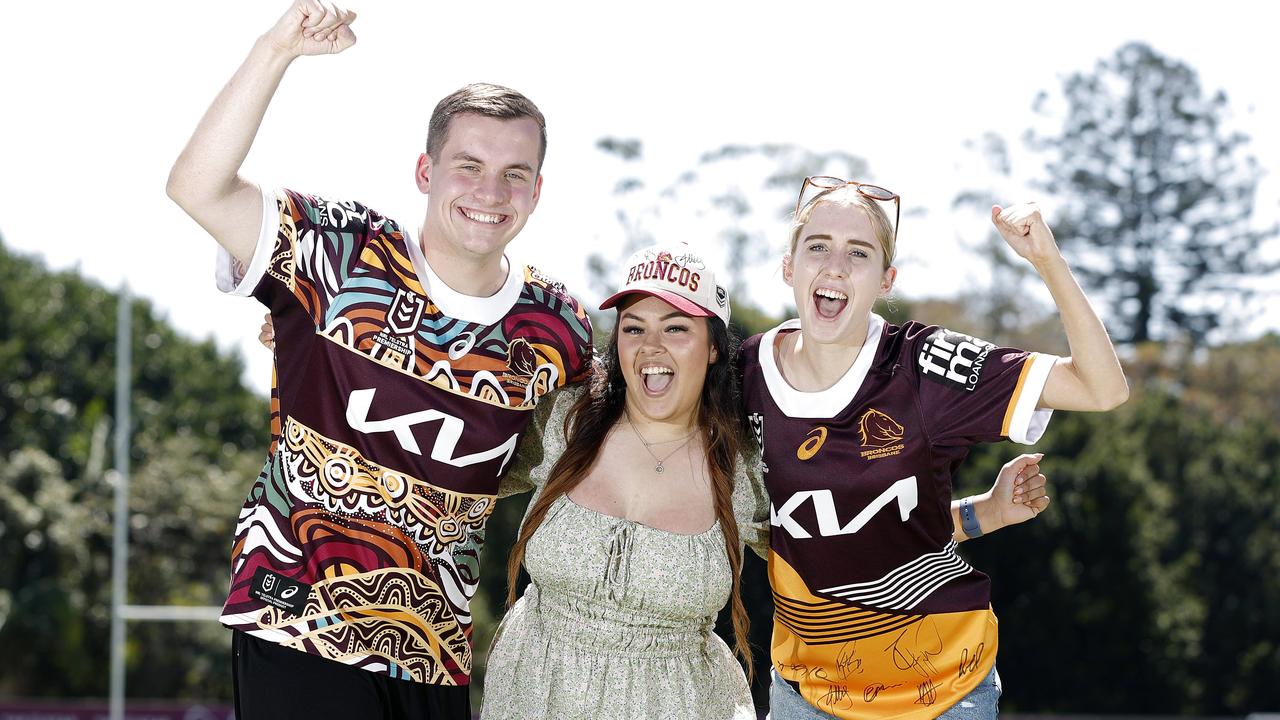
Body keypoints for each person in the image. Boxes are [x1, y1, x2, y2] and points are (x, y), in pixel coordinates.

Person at [165, 2, 592, 718]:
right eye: (469, 166)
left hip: (435, 651)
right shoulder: (339, 255)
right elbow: (196, 188)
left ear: (538, 191)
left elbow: (586, 452)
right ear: (425, 170)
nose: (491, 193)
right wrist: (277, 51)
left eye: (515, 174)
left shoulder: (559, 329)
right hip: (297, 623)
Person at [468, 243, 1053, 719]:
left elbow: (856, 542)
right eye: (633, 327)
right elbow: (449, 477)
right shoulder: (567, 419)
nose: (650, 347)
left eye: (676, 329)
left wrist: (985, 513)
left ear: (716, 349)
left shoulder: (744, 464)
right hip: (530, 694)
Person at [739, 177, 1129, 720]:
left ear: (885, 280)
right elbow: (860, 534)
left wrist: (1047, 260)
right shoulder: (744, 377)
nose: (835, 267)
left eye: (859, 252)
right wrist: (982, 514)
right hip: (807, 695)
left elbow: (1101, 387)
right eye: (818, 246)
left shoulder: (926, 367)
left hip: (943, 692)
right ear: (789, 267)